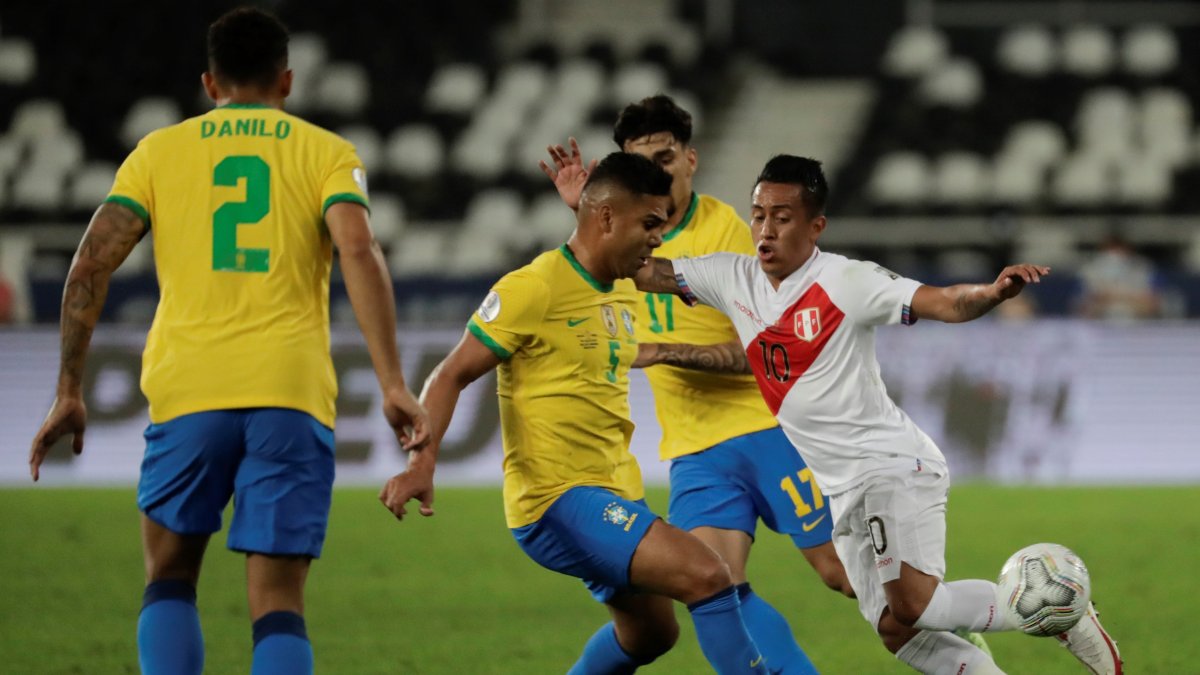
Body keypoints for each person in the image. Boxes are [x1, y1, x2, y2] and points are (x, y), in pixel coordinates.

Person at [27, 8, 429, 675]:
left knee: (169, 575)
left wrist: (70, 386)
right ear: (288, 80)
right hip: (291, 393)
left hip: (188, 392)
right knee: (278, 602)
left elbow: (90, 263)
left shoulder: (159, 152)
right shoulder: (327, 152)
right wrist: (391, 380)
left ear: (210, 83)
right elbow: (357, 245)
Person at [633, 154, 1122, 675]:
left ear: (815, 225)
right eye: (758, 215)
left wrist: (993, 292)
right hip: (842, 487)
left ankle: (1058, 609)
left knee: (913, 605)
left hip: (889, 466)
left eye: (782, 216)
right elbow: (638, 268)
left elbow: (946, 301)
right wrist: (590, 214)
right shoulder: (732, 277)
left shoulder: (846, 281)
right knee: (900, 633)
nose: (765, 229)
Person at [381, 152, 769, 674]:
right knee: (708, 574)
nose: (659, 237)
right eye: (650, 224)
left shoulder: (625, 282)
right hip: (556, 499)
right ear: (607, 219)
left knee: (652, 633)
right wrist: (422, 464)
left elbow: (606, 252)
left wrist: (589, 213)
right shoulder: (532, 288)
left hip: (613, 487)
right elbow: (450, 373)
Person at [539, 95, 849, 673]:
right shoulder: (629, 235)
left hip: (769, 429)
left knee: (844, 575)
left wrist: (664, 352)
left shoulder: (729, 236)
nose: (656, 171)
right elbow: (594, 256)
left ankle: (943, 624)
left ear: (691, 160)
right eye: (641, 162)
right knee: (716, 584)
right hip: (693, 450)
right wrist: (584, 210)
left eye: (665, 157)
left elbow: (766, 351)